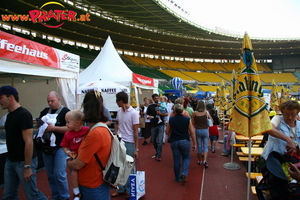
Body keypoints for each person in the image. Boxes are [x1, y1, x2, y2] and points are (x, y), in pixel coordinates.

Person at [0, 85, 47, 200]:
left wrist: (27, 166)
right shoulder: (9, 116)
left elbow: (29, 142)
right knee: (8, 195)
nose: (0, 101)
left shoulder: (23, 114)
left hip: (23, 162)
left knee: (33, 195)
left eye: (1, 98)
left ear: (10, 97)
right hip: (11, 160)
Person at [67, 90, 111, 200]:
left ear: (85, 107)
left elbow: (78, 164)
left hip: (92, 185)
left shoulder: (95, 133)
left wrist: (69, 163)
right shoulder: (100, 128)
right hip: (96, 183)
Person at [39, 91, 70, 200]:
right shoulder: (44, 111)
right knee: (51, 175)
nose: (50, 103)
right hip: (46, 146)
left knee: (60, 174)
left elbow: (70, 129)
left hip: (60, 147)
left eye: (52, 101)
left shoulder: (66, 112)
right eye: (48, 101)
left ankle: (64, 197)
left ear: (58, 99)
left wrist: (54, 128)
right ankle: (56, 196)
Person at [111, 91, 139, 199]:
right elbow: (117, 123)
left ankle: (132, 190)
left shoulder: (134, 113)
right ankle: (122, 189)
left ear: (121, 101)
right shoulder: (119, 111)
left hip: (130, 143)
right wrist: (116, 133)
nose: (116, 102)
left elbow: (136, 131)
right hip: (120, 142)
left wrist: (136, 148)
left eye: (117, 100)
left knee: (130, 168)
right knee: (120, 166)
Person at [60, 110, 89, 200]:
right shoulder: (67, 134)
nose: (66, 125)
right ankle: (76, 192)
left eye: (68, 122)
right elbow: (64, 146)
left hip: (85, 155)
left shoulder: (87, 130)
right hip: (75, 156)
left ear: (77, 123)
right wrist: (68, 152)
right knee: (74, 173)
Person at [261, 100, 300, 166]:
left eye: (293, 114)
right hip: (274, 159)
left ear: (297, 113)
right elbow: (269, 129)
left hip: (293, 160)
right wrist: (288, 140)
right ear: (282, 112)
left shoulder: (299, 124)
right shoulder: (277, 119)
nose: (290, 117)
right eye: (287, 114)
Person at [166, 103, 196, 183]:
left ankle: (177, 177)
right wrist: (194, 143)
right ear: (182, 110)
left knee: (176, 159)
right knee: (186, 157)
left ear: (174, 111)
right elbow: (192, 132)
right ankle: (184, 173)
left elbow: (167, 132)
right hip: (185, 140)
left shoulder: (171, 119)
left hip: (174, 140)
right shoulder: (187, 119)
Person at [147, 93, 168, 161]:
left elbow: (166, 113)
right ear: (153, 99)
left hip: (161, 125)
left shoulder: (162, 105)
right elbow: (147, 115)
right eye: (155, 98)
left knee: (159, 141)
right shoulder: (150, 106)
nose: (156, 99)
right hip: (153, 125)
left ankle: (158, 155)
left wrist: (160, 114)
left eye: (157, 98)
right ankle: (157, 151)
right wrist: (150, 117)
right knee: (153, 140)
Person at [192, 100, 213, 168]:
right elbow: (212, 120)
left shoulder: (195, 113)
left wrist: (196, 125)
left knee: (199, 146)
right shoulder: (206, 112)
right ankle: (205, 160)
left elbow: (192, 122)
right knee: (206, 146)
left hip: (198, 130)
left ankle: (199, 160)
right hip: (205, 130)